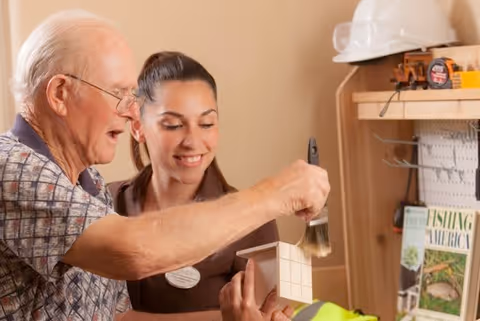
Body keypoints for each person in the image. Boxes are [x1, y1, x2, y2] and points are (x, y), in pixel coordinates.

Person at [0, 9, 330, 321]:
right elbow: (134, 250)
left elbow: (117, 315)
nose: (130, 112)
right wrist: (277, 193)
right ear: (60, 93)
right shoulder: (12, 171)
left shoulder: (91, 185)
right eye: (118, 93)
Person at [107, 51, 279, 317]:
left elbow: (262, 313)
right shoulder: (104, 202)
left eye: (206, 123)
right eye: (174, 125)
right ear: (138, 126)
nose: (193, 141)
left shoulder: (253, 221)